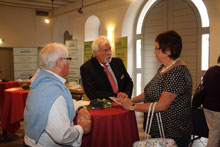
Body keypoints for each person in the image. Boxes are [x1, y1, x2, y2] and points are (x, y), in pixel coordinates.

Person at [118, 30, 193, 147]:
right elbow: (150, 91)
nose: (154, 51)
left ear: (168, 51)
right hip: (161, 130)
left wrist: (132, 107)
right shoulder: (165, 67)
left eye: (157, 48)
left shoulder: (177, 72)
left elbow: (162, 105)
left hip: (172, 132)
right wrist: (132, 100)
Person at [24, 43, 92, 146]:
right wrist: (81, 128)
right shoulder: (53, 91)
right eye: (68, 59)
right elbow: (62, 136)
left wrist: (80, 108)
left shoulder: (41, 82)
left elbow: (63, 104)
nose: (69, 62)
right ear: (60, 62)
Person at [203, 55, 220, 147]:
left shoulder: (210, 70)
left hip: (207, 106)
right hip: (217, 108)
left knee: (212, 131)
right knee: (215, 133)